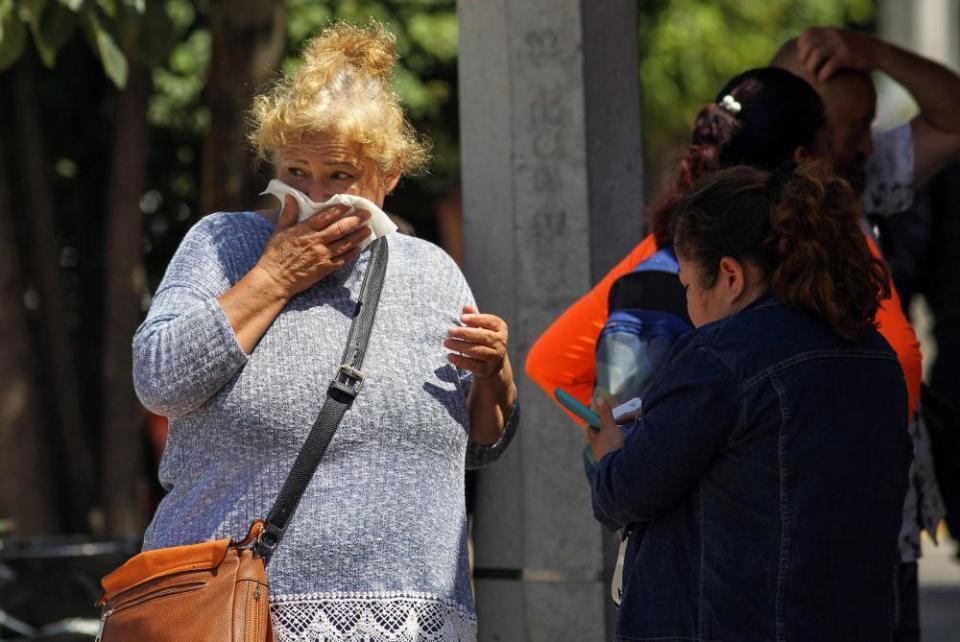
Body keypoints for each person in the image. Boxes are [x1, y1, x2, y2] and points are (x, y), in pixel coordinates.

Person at [133, 21, 518, 642]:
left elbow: (479, 447)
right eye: (295, 172)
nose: (315, 197)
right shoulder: (224, 245)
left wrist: (495, 377)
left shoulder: (433, 272)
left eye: (339, 176)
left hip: (413, 617)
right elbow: (158, 381)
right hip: (241, 616)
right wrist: (275, 276)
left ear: (387, 175)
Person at [589, 162, 912, 641]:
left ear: (730, 276)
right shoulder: (876, 355)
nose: (689, 305)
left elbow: (629, 490)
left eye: (686, 286)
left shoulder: (721, 357)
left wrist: (610, 452)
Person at [525, 67, 921, 424]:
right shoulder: (835, 242)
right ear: (803, 159)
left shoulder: (672, 242)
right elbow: (900, 361)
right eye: (829, 147)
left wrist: (630, 452)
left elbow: (553, 364)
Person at [774, 29, 960, 639]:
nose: (863, 144)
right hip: (805, 529)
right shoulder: (747, 219)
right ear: (798, 133)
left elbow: (954, 118)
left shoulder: (861, 180)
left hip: (890, 516)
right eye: (849, 127)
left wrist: (877, 54)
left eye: (868, 124)